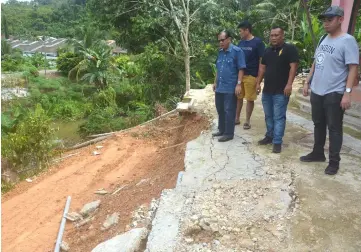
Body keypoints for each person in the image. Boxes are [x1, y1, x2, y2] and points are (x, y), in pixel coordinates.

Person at [300, 6, 359, 175]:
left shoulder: (347, 41)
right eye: (325, 20)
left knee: (334, 128)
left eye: (330, 19)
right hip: (317, 90)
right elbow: (316, 62)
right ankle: (318, 153)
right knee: (318, 124)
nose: (326, 23)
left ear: (340, 19)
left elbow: (353, 68)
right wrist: (307, 82)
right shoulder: (323, 39)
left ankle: (334, 161)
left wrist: (347, 92)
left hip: (334, 91)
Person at [256, 27, 299, 153]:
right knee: (268, 116)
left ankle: (277, 142)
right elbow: (262, 69)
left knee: (278, 117)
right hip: (267, 90)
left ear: (282, 36)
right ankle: (269, 136)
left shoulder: (290, 49)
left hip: (281, 91)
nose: (274, 38)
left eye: (276, 35)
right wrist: (258, 83)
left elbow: (293, 68)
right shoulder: (267, 51)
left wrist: (289, 84)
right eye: (272, 35)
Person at [213, 30, 246, 142]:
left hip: (230, 87)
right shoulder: (220, 52)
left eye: (222, 40)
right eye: (219, 40)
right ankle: (221, 130)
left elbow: (241, 68)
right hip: (220, 86)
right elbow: (218, 68)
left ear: (229, 39)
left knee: (229, 110)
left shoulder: (237, 51)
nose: (221, 42)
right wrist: (215, 82)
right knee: (220, 109)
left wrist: (239, 84)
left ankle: (228, 133)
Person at [235, 21, 265, 129]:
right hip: (240, 75)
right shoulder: (240, 43)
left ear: (247, 30)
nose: (240, 33)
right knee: (238, 97)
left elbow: (262, 62)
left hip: (251, 75)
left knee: (249, 99)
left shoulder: (258, 43)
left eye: (241, 31)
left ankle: (247, 120)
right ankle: (237, 118)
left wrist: (258, 80)